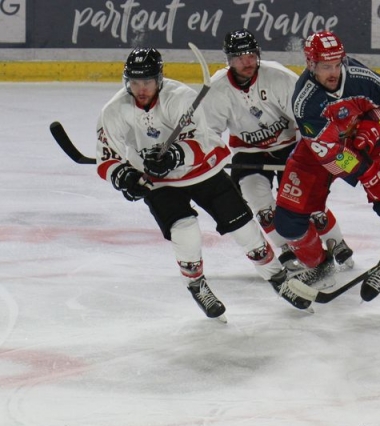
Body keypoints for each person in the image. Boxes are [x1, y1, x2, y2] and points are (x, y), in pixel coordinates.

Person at [95, 47, 282, 322]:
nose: (141, 89)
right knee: (185, 230)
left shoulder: (181, 97)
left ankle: (277, 275)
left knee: (243, 227)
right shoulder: (115, 110)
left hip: (202, 171)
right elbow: (106, 157)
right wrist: (126, 177)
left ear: (158, 79)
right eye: (135, 83)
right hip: (158, 182)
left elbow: (201, 139)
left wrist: (175, 154)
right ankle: (196, 284)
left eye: (146, 82)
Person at [273, 31, 380, 306]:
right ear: (310, 64)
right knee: (288, 222)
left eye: (337, 64)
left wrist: (370, 129)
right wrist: (367, 172)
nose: (334, 72)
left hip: (368, 143)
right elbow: (330, 152)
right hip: (322, 151)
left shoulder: (360, 76)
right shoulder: (305, 101)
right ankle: (321, 265)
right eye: (326, 66)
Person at [204, 29, 354, 285]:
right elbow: (209, 134)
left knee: (307, 201)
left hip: (290, 147)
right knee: (260, 204)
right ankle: (288, 249)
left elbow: (305, 119)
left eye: (251, 55)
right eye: (239, 57)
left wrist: (304, 157)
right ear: (228, 59)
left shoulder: (279, 77)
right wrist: (212, 158)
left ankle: (335, 241)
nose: (247, 62)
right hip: (248, 154)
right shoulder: (217, 89)